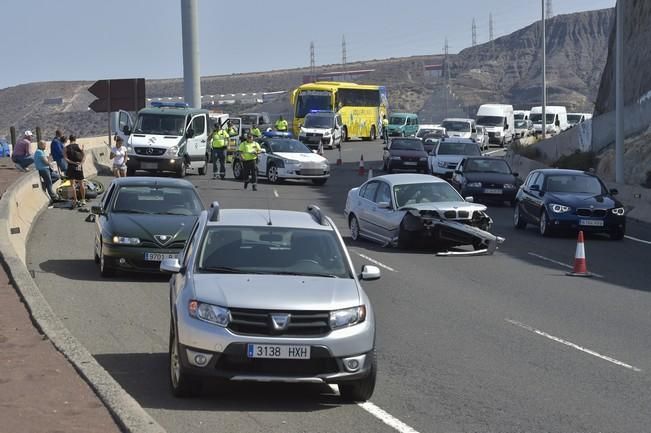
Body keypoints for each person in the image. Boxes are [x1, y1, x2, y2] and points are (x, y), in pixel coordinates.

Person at [64, 135, 86, 207]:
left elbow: (66, 159)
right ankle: (83, 199)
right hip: (79, 166)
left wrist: (73, 163)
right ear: (75, 139)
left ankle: (75, 200)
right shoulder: (79, 146)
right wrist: (80, 164)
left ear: (69, 140)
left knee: (72, 184)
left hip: (71, 167)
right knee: (81, 183)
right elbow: (84, 156)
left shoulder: (65, 148)